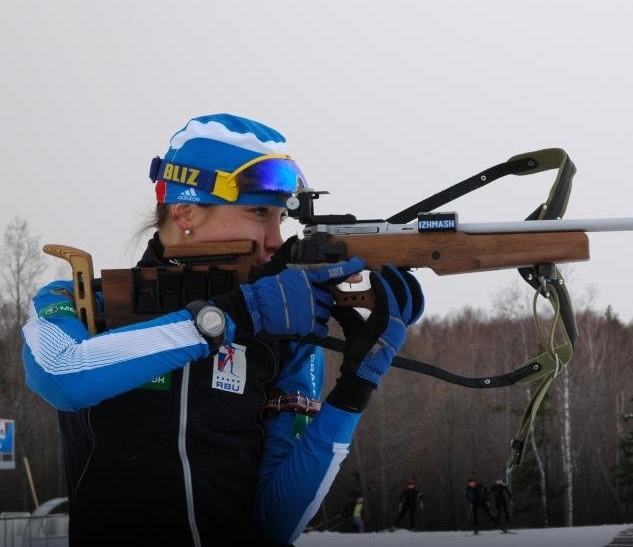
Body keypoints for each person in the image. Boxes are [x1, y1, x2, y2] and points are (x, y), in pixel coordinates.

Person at [21, 114, 425, 546]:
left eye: (280, 219)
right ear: (185, 211)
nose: (274, 239)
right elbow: (60, 374)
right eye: (258, 213)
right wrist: (233, 315)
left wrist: (353, 392)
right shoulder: (82, 301)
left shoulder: (283, 333)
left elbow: (275, 522)